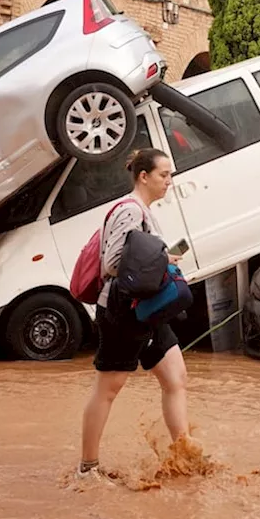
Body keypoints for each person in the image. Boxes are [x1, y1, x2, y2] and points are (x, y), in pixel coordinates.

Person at [77, 147, 192, 479]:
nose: (170, 181)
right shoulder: (129, 212)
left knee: (176, 378)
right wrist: (165, 261)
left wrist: (162, 261)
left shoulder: (144, 210)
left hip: (148, 308)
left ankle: (184, 456)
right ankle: (88, 468)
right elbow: (112, 265)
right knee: (108, 388)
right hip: (121, 312)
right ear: (144, 176)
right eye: (164, 175)